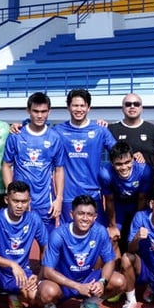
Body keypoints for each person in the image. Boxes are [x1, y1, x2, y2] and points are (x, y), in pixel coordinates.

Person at [37, 196, 126, 308]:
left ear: (95, 217)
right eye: (81, 214)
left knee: (120, 281)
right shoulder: (58, 234)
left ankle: (90, 302)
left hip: (87, 280)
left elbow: (109, 261)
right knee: (46, 292)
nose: (85, 218)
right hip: (63, 282)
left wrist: (102, 281)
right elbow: (47, 271)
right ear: (72, 214)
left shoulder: (100, 231)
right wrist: (77, 286)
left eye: (89, 214)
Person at [2, 92, 66, 232]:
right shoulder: (16, 136)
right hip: (21, 203)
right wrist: (12, 194)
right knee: (17, 246)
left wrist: (59, 199)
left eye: (43, 111)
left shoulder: (55, 138)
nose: (39, 115)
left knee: (47, 247)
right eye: (35, 111)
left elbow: (59, 169)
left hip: (45, 203)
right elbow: (6, 166)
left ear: (49, 111)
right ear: (28, 111)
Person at [54, 88, 116, 222]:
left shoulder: (100, 131)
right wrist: (20, 126)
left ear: (88, 108)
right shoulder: (58, 131)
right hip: (68, 196)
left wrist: (136, 154)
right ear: (68, 107)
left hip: (93, 194)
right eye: (75, 105)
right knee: (70, 235)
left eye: (82, 105)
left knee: (95, 235)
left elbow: (119, 153)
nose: (79, 109)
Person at [100, 141, 154, 255]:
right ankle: (117, 266)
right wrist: (112, 226)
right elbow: (109, 200)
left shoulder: (144, 171)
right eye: (119, 164)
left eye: (127, 162)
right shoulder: (105, 173)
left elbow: (142, 199)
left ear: (133, 159)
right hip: (118, 205)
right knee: (111, 237)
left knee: (140, 235)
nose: (124, 167)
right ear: (111, 163)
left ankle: (138, 266)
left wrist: (137, 222)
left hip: (137, 204)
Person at [108, 93, 154, 168]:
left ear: (141, 108)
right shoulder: (111, 129)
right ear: (122, 108)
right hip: (119, 178)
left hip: (146, 178)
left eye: (136, 104)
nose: (132, 107)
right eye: (128, 104)